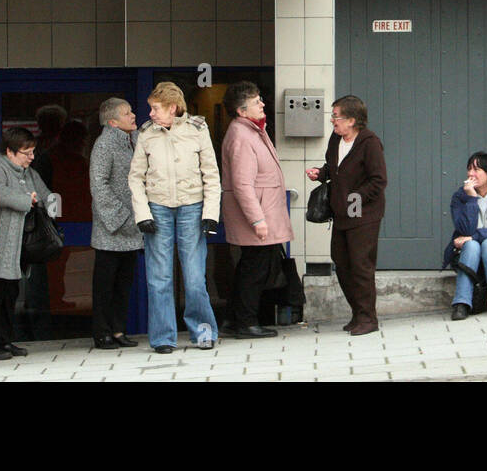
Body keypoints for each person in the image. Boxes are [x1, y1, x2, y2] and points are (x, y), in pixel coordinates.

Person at [128, 81, 221, 353]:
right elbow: (135, 178)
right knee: (159, 277)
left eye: (156, 108)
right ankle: (162, 338)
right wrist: (142, 213)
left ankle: (203, 332)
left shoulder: (197, 130)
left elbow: (212, 175)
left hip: (192, 206)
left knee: (194, 278)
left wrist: (211, 213)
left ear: (172, 107)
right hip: (157, 207)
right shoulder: (146, 134)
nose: (151, 114)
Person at [305, 95, 386, 336]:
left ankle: (368, 318)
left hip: (364, 214)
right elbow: (334, 167)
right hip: (341, 213)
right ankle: (357, 313)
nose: (332, 121)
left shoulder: (370, 143)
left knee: (360, 265)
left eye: (336, 116)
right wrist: (320, 173)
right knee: (342, 263)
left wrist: (355, 198)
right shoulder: (336, 139)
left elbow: (378, 180)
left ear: (352, 120)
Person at [220, 81, 293, 339]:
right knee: (255, 271)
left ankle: (233, 319)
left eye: (261, 99)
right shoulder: (242, 135)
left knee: (250, 268)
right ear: (241, 111)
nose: (263, 104)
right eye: (256, 101)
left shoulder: (252, 131)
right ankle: (246, 322)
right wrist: (257, 220)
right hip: (257, 216)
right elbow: (242, 183)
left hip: (262, 213)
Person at [0, 126, 51, 361]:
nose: (31, 157)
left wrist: (53, 203)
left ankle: (5, 341)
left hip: (17, 246)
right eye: (26, 153)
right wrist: (26, 200)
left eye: (33, 152)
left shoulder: (28, 171)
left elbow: (44, 193)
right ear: (10, 151)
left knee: (10, 293)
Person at [88, 97, 143, 350]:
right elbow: (98, 184)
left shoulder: (132, 141)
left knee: (123, 285)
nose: (133, 115)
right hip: (112, 229)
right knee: (105, 286)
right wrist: (121, 217)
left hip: (131, 229)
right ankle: (102, 333)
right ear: (112, 122)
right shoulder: (105, 143)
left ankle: (119, 331)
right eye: (127, 113)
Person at [443, 153, 487, 320]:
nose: (470, 174)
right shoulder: (460, 197)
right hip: (467, 254)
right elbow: (465, 230)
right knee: (472, 245)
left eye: (476, 169)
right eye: (469, 169)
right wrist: (472, 199)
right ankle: (462, 303)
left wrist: (475, 236)